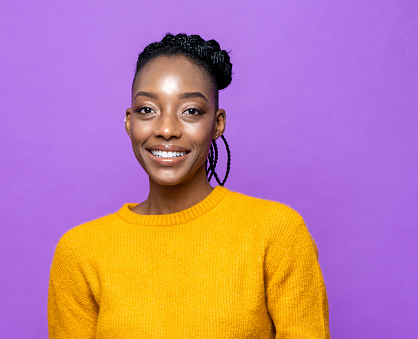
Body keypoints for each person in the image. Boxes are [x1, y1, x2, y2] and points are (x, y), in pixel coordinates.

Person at [48, 33, 330, 338]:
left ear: (217, 123)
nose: (166, 129)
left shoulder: (276, 232)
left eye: (191, 111)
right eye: (147, 110)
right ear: (129, 122)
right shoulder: (80, 250)